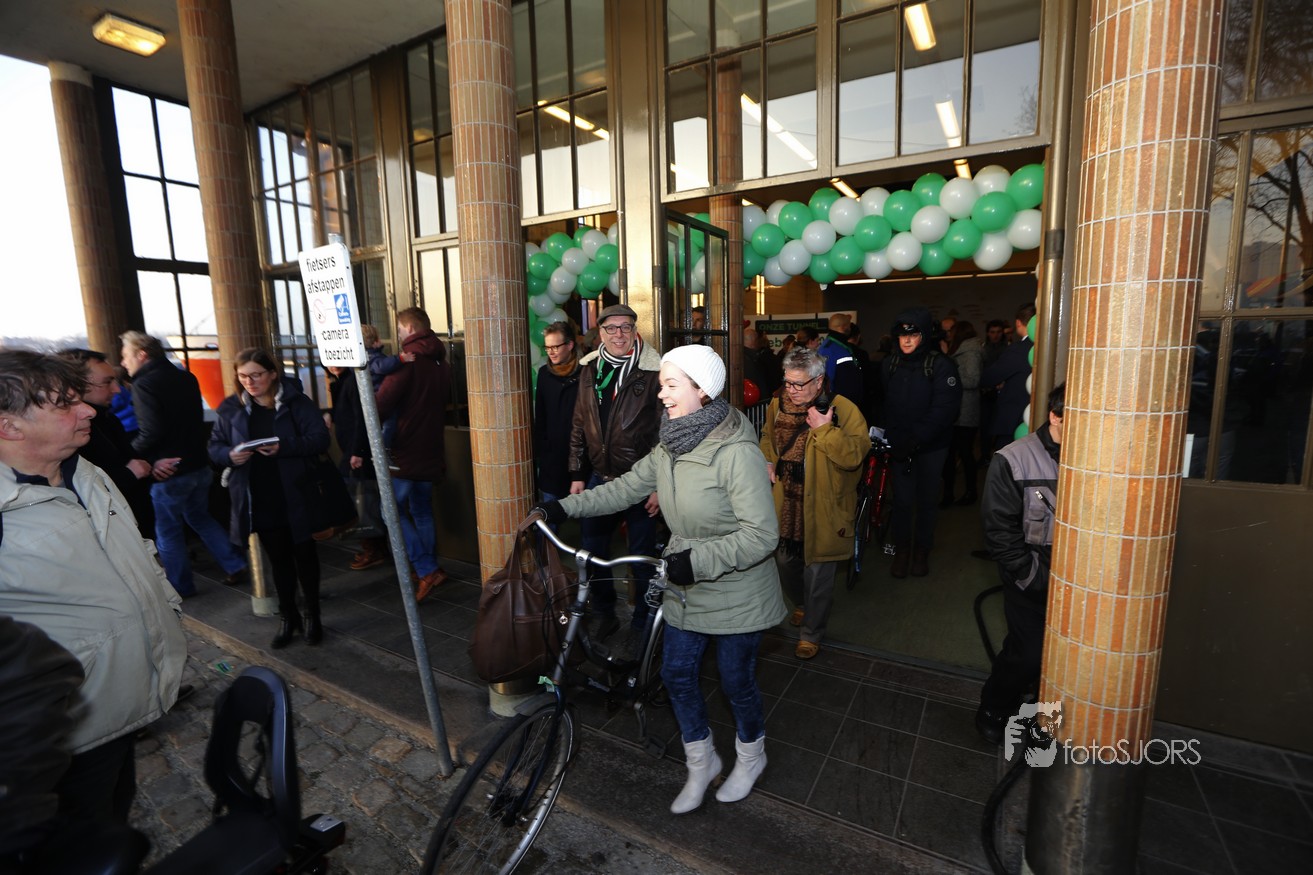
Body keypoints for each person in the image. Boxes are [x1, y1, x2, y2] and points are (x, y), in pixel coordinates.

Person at [539, 344, 784, 814]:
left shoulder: (737, 453)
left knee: (736, 681)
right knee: (676, 675)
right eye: (661, 384)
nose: (661, 393)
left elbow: (761, 536)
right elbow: (626, 487)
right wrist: (561, 508)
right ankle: (702, 762)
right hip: (684, 580)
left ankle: (751, 757)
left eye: (671, 384)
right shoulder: (671, 441)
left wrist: (696, 561)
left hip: (737, 591)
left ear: (702, 390)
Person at [0, 349, 186, 827]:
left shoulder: (88, 472)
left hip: (121, 703)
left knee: (113, 815)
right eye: (64, 404)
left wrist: (164, 604)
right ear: (9, 426)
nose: (87, 409)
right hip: (62, 734)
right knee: (77, 839)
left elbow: (132, 551)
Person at [209, 349, 332, 649]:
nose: (249, 382)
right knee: (279, 561)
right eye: (243, 376)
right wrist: (230, 455)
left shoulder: (296, 403)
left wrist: (284, 447)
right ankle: (288, 618)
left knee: (305, 557)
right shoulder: (232, 408)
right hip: (259, 496)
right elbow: (214, 446)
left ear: (273, 374)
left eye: (256, 375)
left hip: (296, 494)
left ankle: (313, 616)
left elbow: (320, 439)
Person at [761, 346, 868, 659]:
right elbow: (767, 437)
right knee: (785, 562)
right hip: (787, 503)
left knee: (819, 573)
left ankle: (811, 632)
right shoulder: (776, 405)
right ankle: (802, 603)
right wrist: (767, 459)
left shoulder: (844, 409)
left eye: (799, 384)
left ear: (819, 382)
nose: (791, 390)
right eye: (787, 382)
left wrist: (824, 430)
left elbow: (854, 456)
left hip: (826, 504)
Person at [121, 330, 248, 596]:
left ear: (141, 355)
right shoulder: (186, 376)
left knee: (168, 532)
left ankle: (180, 587)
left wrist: (129, 455)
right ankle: (235, 563)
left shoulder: (144, 385)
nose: (123, 363)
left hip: (169, 470)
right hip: (198, 463)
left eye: (125, 356)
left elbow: (151, 432)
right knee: (200, 517)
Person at [568, 302, 663, 640]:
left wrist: (659, 484)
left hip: (640, 481)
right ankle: (604, 612)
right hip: (600, 478)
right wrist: (577, 473)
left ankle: (642, 627)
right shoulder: (590, 369)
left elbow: (666, 432)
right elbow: (580, 423)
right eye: (611, 328)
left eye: (626, 327)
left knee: (642, 559)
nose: (619, 334)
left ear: (635, 331)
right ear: (601, 333)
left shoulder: (654, 370)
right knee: (591, 552)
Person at [976, 383, 1064, 745]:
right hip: (1033, 574)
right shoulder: (1014, 459)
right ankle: (995, 707)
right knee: (1028, 653)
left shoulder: (1097, 455)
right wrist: (1031, 576)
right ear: (1055, 416)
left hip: (1079, 578)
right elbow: (999, 530)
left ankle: (1047, 719)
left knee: (1067, 658)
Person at [878, 308, 962, 578]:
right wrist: (891, 437)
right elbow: (884, 403)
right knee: (902, 502)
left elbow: (945, 410)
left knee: (926, 501)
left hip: (931, 447)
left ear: (924, 335)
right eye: (902, 334)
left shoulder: (941, 365)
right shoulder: (890, 364)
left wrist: (915, 439)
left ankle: (922, 551)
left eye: (913, 334)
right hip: (900, 446)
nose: (906, 340)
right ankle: (902, 550)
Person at [376, 307, 451, 602]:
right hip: (431, 445)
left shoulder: (408, 360)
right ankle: (431, 568)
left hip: (405, 448)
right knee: (421, 510)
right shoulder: (441, 361)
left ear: (408, 328)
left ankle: (425, 569)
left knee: (390, 511)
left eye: (398, 330)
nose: (397, 335)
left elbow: (380, 404)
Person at [59, 348, 155, 537]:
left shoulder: (108, 419)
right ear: (76, 386)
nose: (117, 389)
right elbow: (78, 490)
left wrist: (150, 467)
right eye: (107, 382)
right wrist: (129, 474)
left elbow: (128, 462)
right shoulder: (69, 434)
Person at [326, 365, 388, 571]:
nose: (333, 364)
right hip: (353, 450)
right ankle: (375, 547)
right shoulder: (342, 381)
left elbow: (362, 418)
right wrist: (330, 414)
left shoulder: (352, 380)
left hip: (357, 451)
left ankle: (373, 548)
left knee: (362, 500)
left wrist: (357, 451)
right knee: (364, 498)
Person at [534, 320, 581, 511]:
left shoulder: (585, 373)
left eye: (555, 347)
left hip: (579, 459)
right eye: (547, 348)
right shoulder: (544, 374)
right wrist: (542, 450)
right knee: (549, 514)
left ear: (569, 345)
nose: (551, 352)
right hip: (552, 459)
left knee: (584, 514)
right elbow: (541, 416)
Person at [982, 303, 1036, 451]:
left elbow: (990, 377)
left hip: (1015, 417)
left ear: (1018, 323)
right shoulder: (1049, 346)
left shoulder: (1018, 349)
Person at [941, 322, 984, 506]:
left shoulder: (971, 351)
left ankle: (970, 493)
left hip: (965, 412)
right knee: (951, 455)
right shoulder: (962, 350)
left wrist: (950, 373)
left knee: (965, 454)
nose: (948, 334)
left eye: (951, 331)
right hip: (957, 411)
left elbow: (972, 380)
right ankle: (949, 494)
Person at [814, 312, 864, 408]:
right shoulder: (828, 349)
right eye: (849, 326)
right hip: (838, 405)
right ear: (843, 327)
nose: (850, 328)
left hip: (847, 403)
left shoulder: (840, 346)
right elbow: (825, 380)